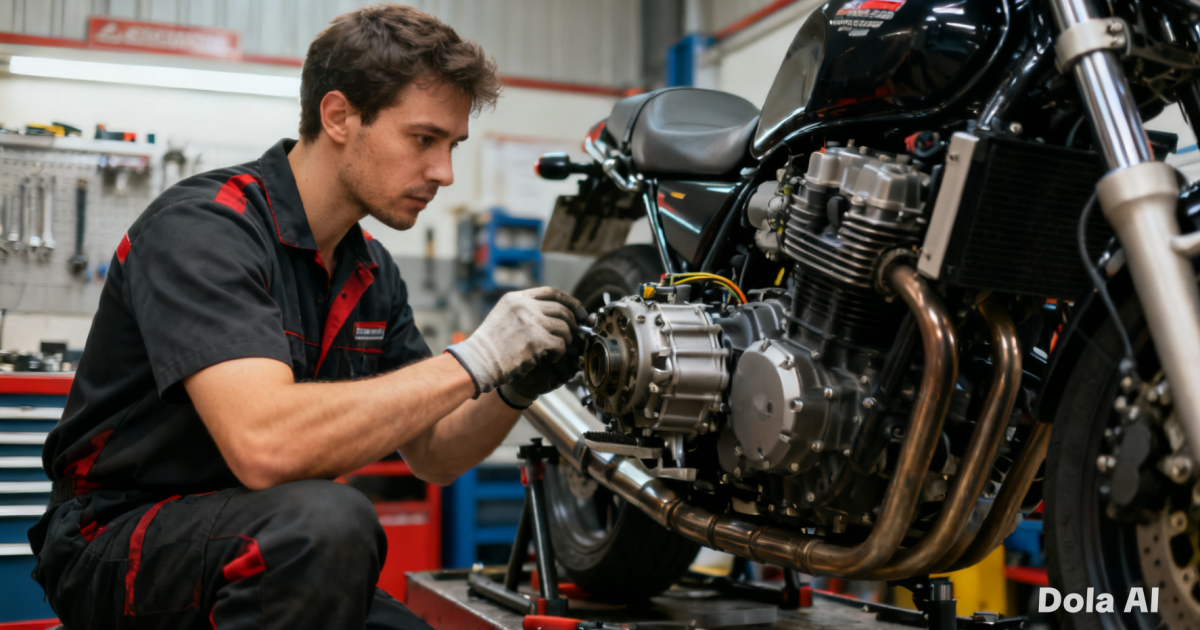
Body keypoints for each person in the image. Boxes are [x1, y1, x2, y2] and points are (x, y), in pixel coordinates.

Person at [28, 5, 584, 629]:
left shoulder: (371, 269)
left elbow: (434, 455)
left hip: (269, 540)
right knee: (331, 518)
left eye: (451, 145)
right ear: (339, 116)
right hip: (118, 541)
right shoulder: (205, 228)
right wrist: (476, 357)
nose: (444, 173)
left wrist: (511, 382)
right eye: (423, 139)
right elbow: (265, 445)